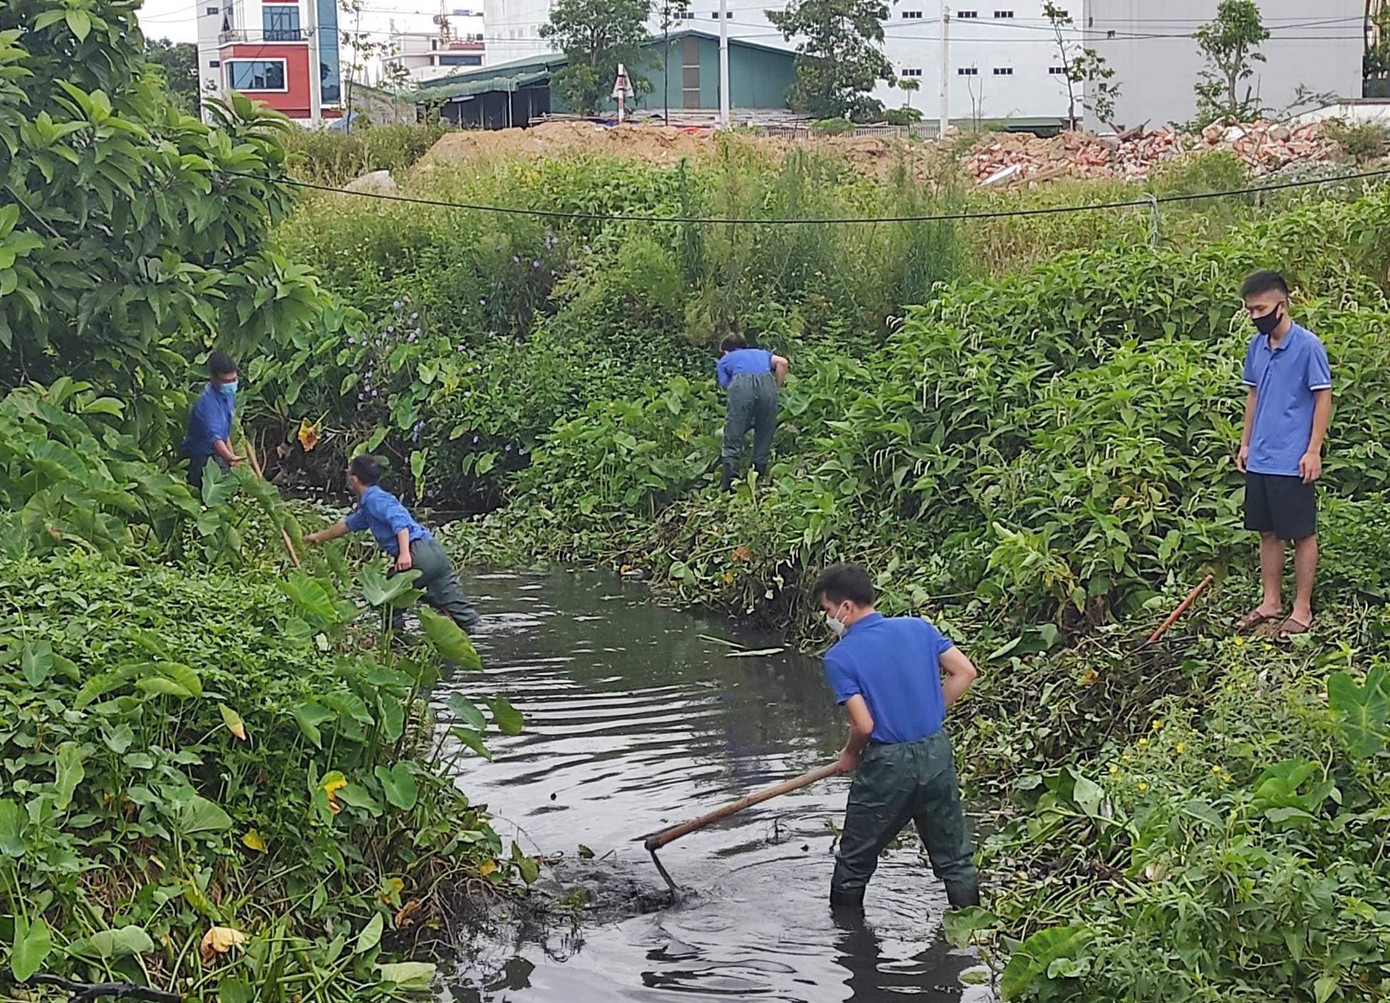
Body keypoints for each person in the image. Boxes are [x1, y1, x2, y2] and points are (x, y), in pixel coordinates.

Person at [814, 562, 980, 911]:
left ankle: (847, 937)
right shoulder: (918, 628)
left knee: (854, 862)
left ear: (846, 607)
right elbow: (965, 672)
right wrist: (931, 709)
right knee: (955, 859)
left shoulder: (840, 657)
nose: (828, 618)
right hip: (935, 753)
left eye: (828, 610)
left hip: (888, 765)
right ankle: (974, 930)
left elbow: (864, 725)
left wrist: (849, 754)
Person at [1233, 270, 1332, 640]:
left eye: (1260, 309)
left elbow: (1323, 396)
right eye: (1250, 310)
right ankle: (1270, 601)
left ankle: (1302, 608)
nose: (1255, 316)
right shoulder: (1256, 347)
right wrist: (1245, 443)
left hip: (1293, 458)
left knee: (1301, 534)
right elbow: (1254, 394)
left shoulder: (1308, 346)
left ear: (1282, 305)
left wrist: (1313, 450)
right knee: (1267, 532)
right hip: (1261, 456)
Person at [304, 455, 481, 633]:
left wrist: (404, 554)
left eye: (349, 472)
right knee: (460, 612)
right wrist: (318, 537)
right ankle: (481, 636)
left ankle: (396, 641)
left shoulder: (375, 499)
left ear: (354, 479)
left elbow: (400, 522)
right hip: (434, 552)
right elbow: (347, 525)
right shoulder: (370, 505)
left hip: (415, 553)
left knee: (387, 601)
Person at [716, 333, 789, 492]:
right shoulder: (761, 353)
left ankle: (731, 483)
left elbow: (727, 386)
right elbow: (782, 363)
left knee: (733, 430)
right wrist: (775, 387)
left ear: (726, 351)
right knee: (765, 429)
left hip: (742, 385)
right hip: (767, 384)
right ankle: (758, 477)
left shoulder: (725, 360)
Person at [182, 350, 244, 492]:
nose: (232, 384)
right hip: (199, 458)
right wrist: (230, 457)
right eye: (226, 381)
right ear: (214, 379)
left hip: (217, 454)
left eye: (234, 379)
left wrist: (232, 458)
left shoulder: (227, 396)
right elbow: (214, 438)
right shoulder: (206, 403)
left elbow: (224, 433)